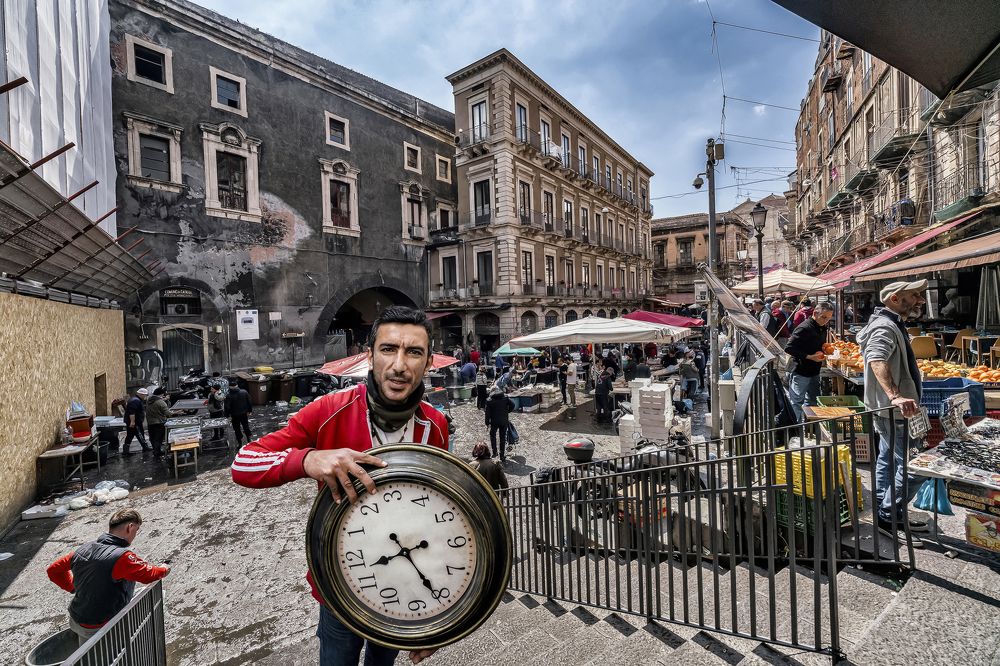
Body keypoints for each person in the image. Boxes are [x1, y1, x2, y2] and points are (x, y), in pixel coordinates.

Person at [231, 306, 448, 666]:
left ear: (428, 364)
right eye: (388, 349)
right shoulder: (328, 409)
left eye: (413, 352)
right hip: (340, 587)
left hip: (404, 583)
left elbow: (439, 519)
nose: (399, 365)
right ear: (370, 356)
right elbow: (243, 463)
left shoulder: (436, 425)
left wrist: (435, 621)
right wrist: (307, 460)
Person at [858, 280, 930, 535]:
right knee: (917, 464)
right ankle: (889, 515)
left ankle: (885, 514)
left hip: (887, 409)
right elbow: (876, 358)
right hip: (896, 410)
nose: (920, 300)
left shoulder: (889, 324)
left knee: (887, 459)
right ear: (895, 299)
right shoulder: (885, 327)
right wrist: (895, 396)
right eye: (914, 295)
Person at [47, 509, 170, 644]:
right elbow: (150, 575)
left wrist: (72, 588)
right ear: (130, 527)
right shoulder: (122, 557)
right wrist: (164, 569)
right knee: (155, 597)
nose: (135, 534)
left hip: (77, 619)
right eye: (137, 530)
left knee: (88, 654)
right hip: (102, 624)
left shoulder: (82, 549)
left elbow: (53, 571)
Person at [784, 302, 834, 421]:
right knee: (797, 401)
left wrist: (824, 349)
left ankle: (808, 426)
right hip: (800, 370)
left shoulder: (822, 327)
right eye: (824, 317)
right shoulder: (804, 328)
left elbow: (816, 344)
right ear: (815, 313)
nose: (826, 320)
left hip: (814, 371)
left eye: (829, 318)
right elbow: (789, 348)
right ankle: (794, 430)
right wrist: (809, 356)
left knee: (812, 400)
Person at [484, 388, 515, 462]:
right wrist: (507, 412)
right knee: (502, 438)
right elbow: (513, 405)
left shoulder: (489, 401)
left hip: (494, 422)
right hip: (504, 421)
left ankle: (494, 452)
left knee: (492, 435)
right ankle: (502, 456)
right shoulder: (505, 398)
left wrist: (487, 423)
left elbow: (487, 414)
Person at [121, 388, 150, 455]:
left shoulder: (135, 399)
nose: (145, 397)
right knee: (139, 434)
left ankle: (126, 451)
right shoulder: (135, 401)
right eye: (145, 395)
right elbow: (132, 412)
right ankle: (145, 447)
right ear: (141, 394)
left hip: (135, 422)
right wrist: (132, 422)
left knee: (131, 435)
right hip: (135, 422)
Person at [225, 381, 254, 447]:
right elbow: (249, 402)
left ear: (230, 387)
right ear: (237, 385)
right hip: (244, 413)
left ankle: (239, 442)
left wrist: (227, 415)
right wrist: (250, 411)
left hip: (234, 415)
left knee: (236, 428)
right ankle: (249, 439)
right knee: (246, 426)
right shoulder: (244, 392)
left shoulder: (229, 395)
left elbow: (227, 407)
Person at [145, 387, 171, 457]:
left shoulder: (149, 399)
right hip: (159, 422)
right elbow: (168, 413)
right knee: (158, 438)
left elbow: (157, 400)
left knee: (153, 438)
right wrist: (177, 412)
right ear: (162, 394)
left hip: (150, 422)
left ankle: (155, 450)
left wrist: (165, 399)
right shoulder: (161, 403)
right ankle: (157, 452)